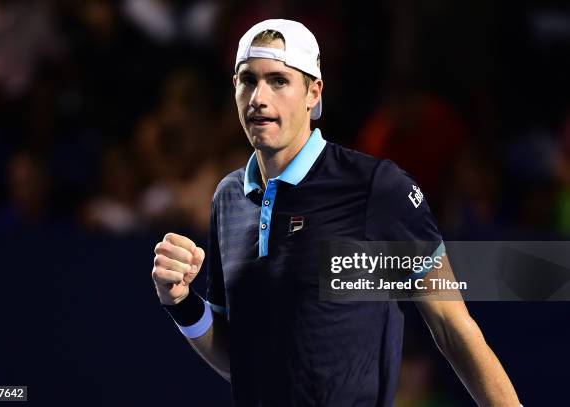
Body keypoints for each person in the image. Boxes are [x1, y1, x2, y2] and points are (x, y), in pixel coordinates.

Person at [151, 19, 521, 406]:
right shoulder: (228, 198)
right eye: (248, 80)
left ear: (313, 92)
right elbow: (241, 360)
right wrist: (183, 304)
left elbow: (452, 326)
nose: (259, 97)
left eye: (279, 81)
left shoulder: (376, 187)